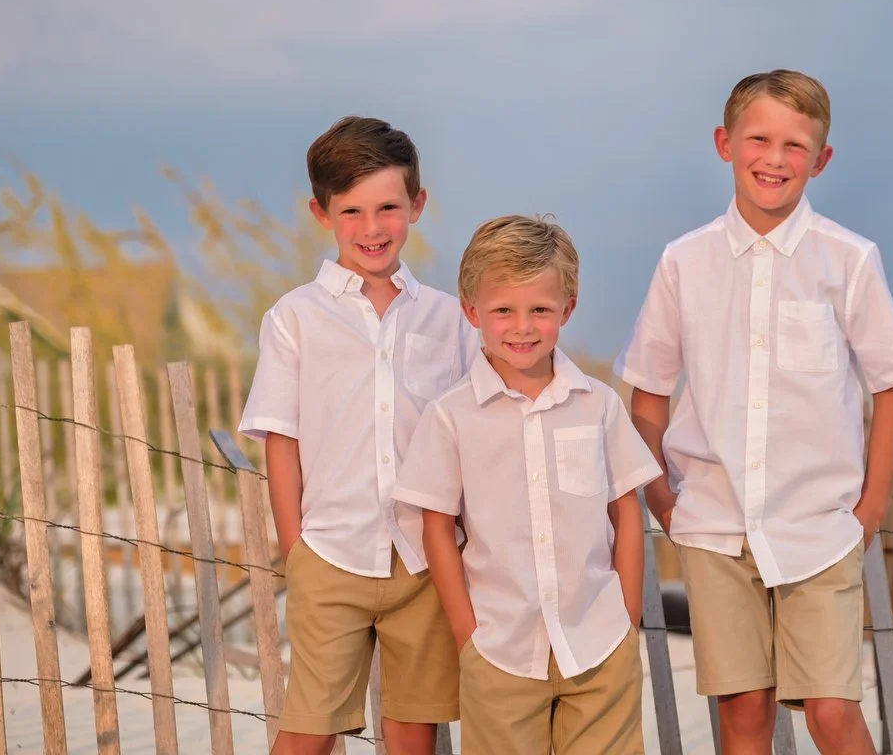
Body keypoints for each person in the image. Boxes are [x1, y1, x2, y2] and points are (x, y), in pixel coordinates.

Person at [614, 70, 893, 754]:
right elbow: (648, 390)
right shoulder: (684, 262)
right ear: (725, 143)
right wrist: (665, 496)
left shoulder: (849, 260)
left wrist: (869, 509)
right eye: (759, 139)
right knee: (745, 709)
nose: (775, 159)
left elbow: (891, 387)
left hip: (818, 527)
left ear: (823, 159)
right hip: (714, 524)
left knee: (832, 711)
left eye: (796, 145)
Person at [239, 116, 476, 755]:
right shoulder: (294, 318)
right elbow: (280, 441)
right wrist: (297, 550)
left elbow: (468, 436)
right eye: (352, 212)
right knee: (310, 727)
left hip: (424, 559)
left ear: (417, 205)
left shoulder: (448, 319)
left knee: (413, 728)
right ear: (321, 213)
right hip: (331, 553)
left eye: (388, 208)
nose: (372, 229)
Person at [393, 214, 662, 754]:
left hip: (599, 643)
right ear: (472, 311)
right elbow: (437, 529)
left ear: (568, 307)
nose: (522, 327)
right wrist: (469, 636)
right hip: (500, 649)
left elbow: (625, 512)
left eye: (540, 309)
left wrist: (626, 618)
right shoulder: (452, 417)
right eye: (503, 311)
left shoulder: (599, 405)